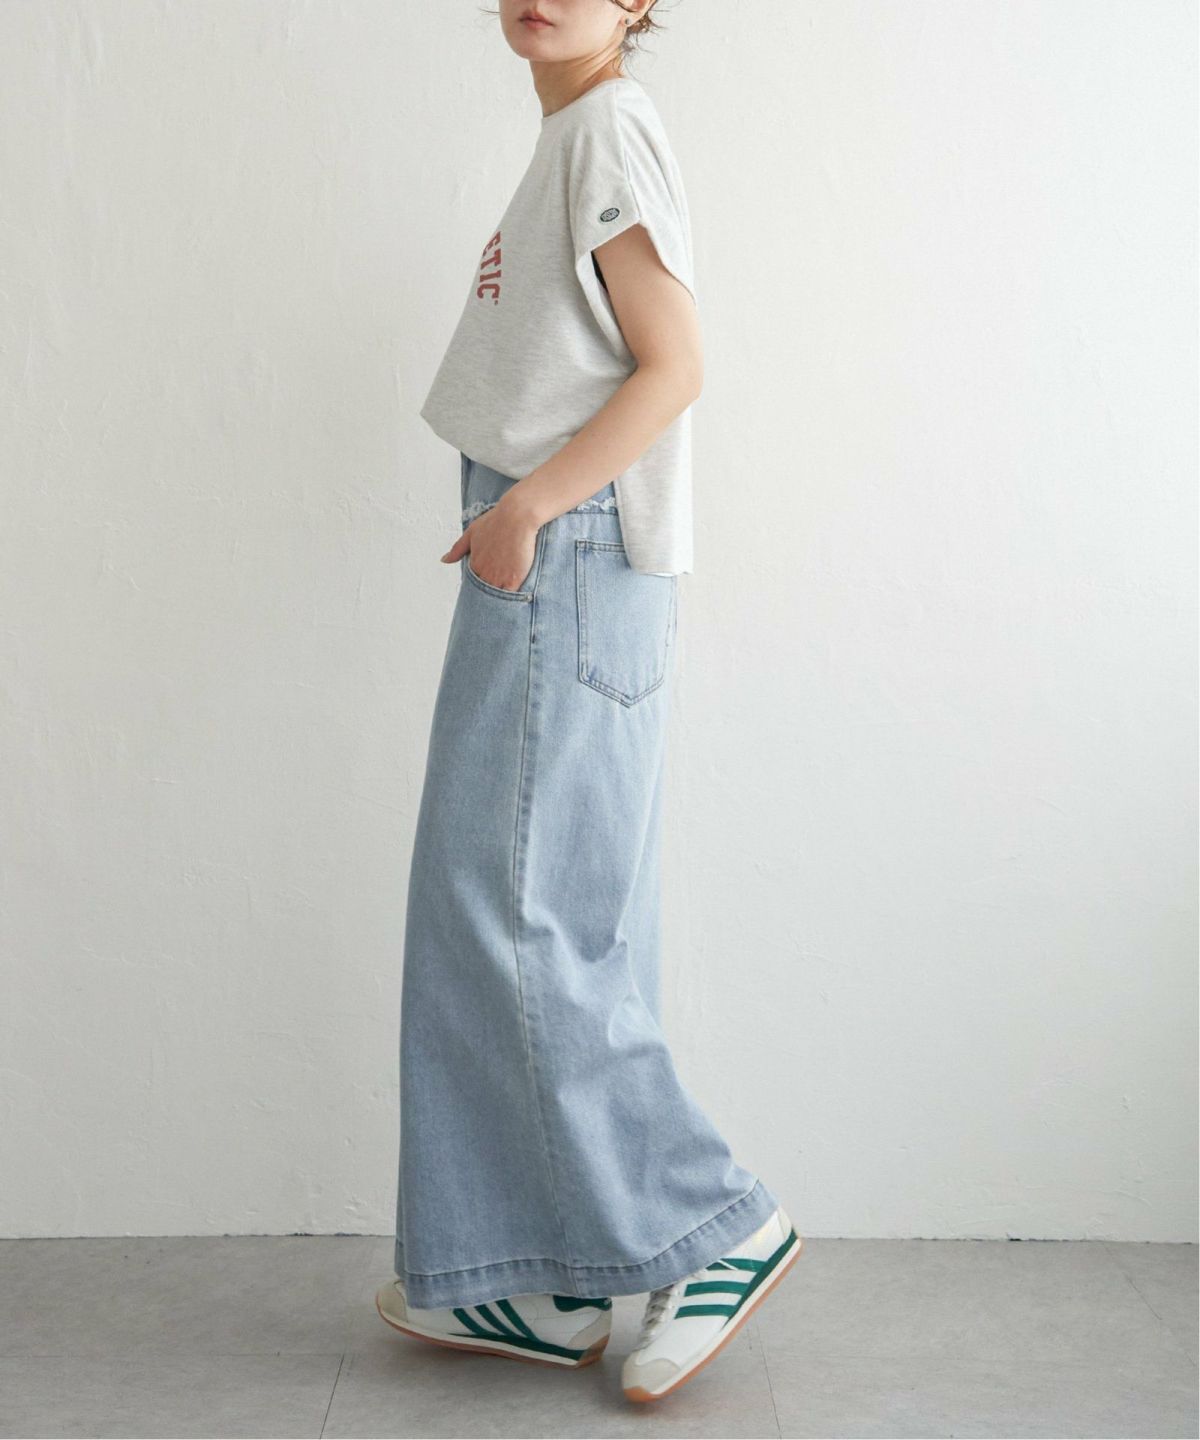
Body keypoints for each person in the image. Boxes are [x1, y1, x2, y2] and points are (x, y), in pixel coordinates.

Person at [375, 0, 802, 1403]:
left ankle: (715, 1228)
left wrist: (530, 510)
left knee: (518, 918)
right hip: (571, 558)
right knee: (555, 918)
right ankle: (553, 1277)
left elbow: (677, 364)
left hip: (562, 551)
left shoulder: (605, 128)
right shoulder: (577, 133)